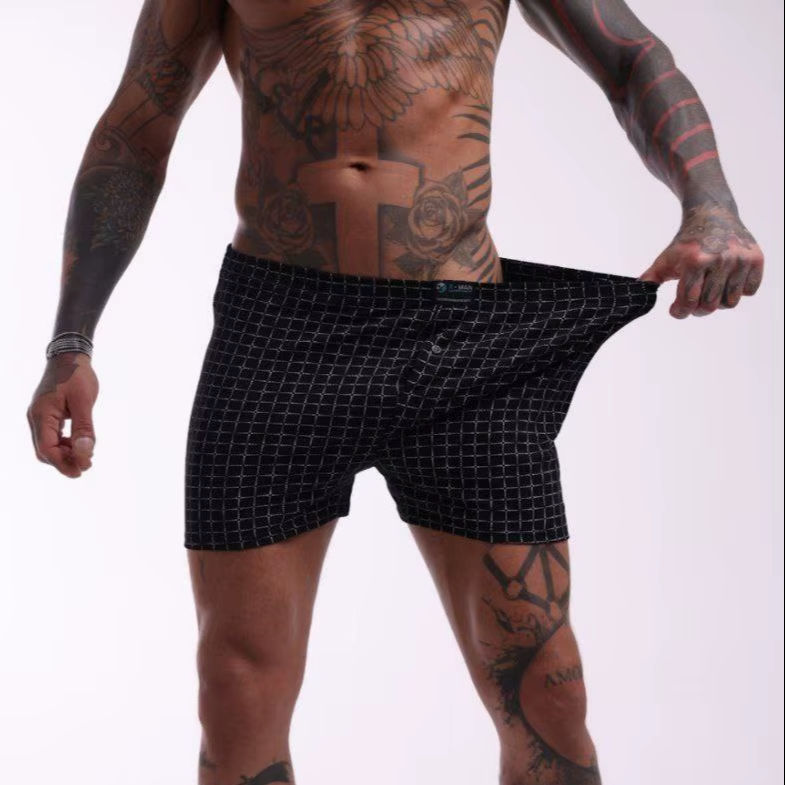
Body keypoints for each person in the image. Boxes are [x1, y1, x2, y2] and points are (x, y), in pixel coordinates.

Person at [27, 1, 764, 783]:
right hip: (280, 330)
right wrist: (72, 341)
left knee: (546, 691)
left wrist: (710, 204)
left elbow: (630, 57)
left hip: (465, 339)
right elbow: (136, 129)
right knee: (238, 691)